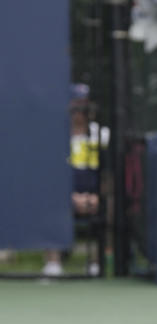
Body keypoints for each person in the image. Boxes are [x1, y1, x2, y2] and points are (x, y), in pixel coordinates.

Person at [43, 83, 108, 277]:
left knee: (110, 206)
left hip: (94, 195)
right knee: (48, 203)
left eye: (83, 105)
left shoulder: (101, 134)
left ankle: (96, 263)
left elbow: (108, 174)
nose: (79, 111)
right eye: (76, 105)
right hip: (63, 195)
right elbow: (50, 175)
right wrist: (69, 197)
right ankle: (53, 264)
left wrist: (98, 196)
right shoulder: (54, 135)